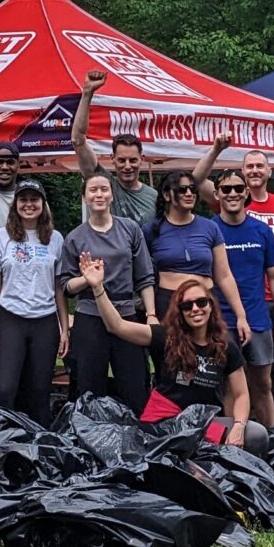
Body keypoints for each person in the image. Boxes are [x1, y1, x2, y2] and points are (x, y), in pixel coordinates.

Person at [59, 173, 157, 410]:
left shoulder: (130, 229)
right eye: (93, 190)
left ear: (112, 195)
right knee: (89, 384)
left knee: (134, 382)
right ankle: (89, 434)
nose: (99, 194)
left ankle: (136, 434)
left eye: (104, 189)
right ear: (84, 197)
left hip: (125, 313)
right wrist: (88, 280)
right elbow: (66, 286)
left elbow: (144, 276)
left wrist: (152, 313)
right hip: (90, 316)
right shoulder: (75, 237)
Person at [0, 179, 68, 424]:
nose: (29, 204)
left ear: (43, 204)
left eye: (34, 199)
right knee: (5, 388)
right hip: (11, 318)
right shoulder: (0, 237)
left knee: (40, 392)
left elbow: (58, 286)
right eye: (23, 200)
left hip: (45, 320)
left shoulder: (55, 239)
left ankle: (38, 445)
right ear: (16, 204)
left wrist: (64, 329)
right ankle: (2, 440)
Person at [210, 167, 274, 427]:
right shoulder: (210, 229)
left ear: (247, 192)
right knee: (230, 384)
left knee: (263, 383)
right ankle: (229, 446)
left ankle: (272, 439)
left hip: (258, 318)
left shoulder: (262, 230)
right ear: (217, 194)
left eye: (237, 188)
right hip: (222, 320)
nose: (232, 193)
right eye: (226, 189)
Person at [144, 280, 257, 447]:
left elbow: (241, 394)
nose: (195, 309)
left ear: (211, 306)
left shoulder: (226, 346)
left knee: (257, 435)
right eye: (187, 306)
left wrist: (239, 426)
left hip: (207, 424)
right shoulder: (165, 337)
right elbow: (117, 326)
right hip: (167, 423)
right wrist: (98, 289)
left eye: (201, 302)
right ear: (180, 312)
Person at [147, 165, 246, 328]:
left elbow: (224, 275)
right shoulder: (151, 230)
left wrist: (241, 316)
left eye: (192, 189)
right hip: (168, 303)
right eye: (182, 190)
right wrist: (150, 313)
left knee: (210, 350)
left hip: (204, 302)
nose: (188, 194)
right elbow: (145, 277)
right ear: (166, 195)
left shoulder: (210, 227)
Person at [70, 72, 161, 223]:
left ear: (142, 159)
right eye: (121, 160)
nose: (127, 166)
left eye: (133, 160)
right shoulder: (104, 185)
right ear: (112, 159)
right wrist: (87, 93)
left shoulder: (154, 197)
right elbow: (78, 140)